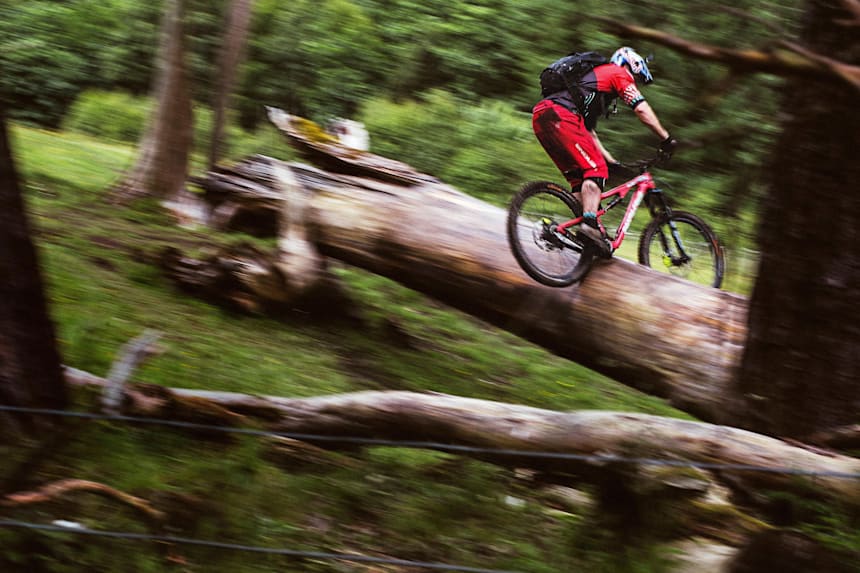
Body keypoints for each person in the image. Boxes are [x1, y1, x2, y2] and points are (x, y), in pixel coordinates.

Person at [532, 47, 677, 253]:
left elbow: (588, 133)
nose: (634, 83)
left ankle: (575, 236)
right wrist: (666, 138)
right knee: (596, 170)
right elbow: (641, 109)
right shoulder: (617, 73)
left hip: (542, 116)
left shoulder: (592, 88)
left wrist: (611, 162)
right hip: (562, 116)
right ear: (630, 66)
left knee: (580, 179)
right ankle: (590, 227)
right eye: (636, 78)